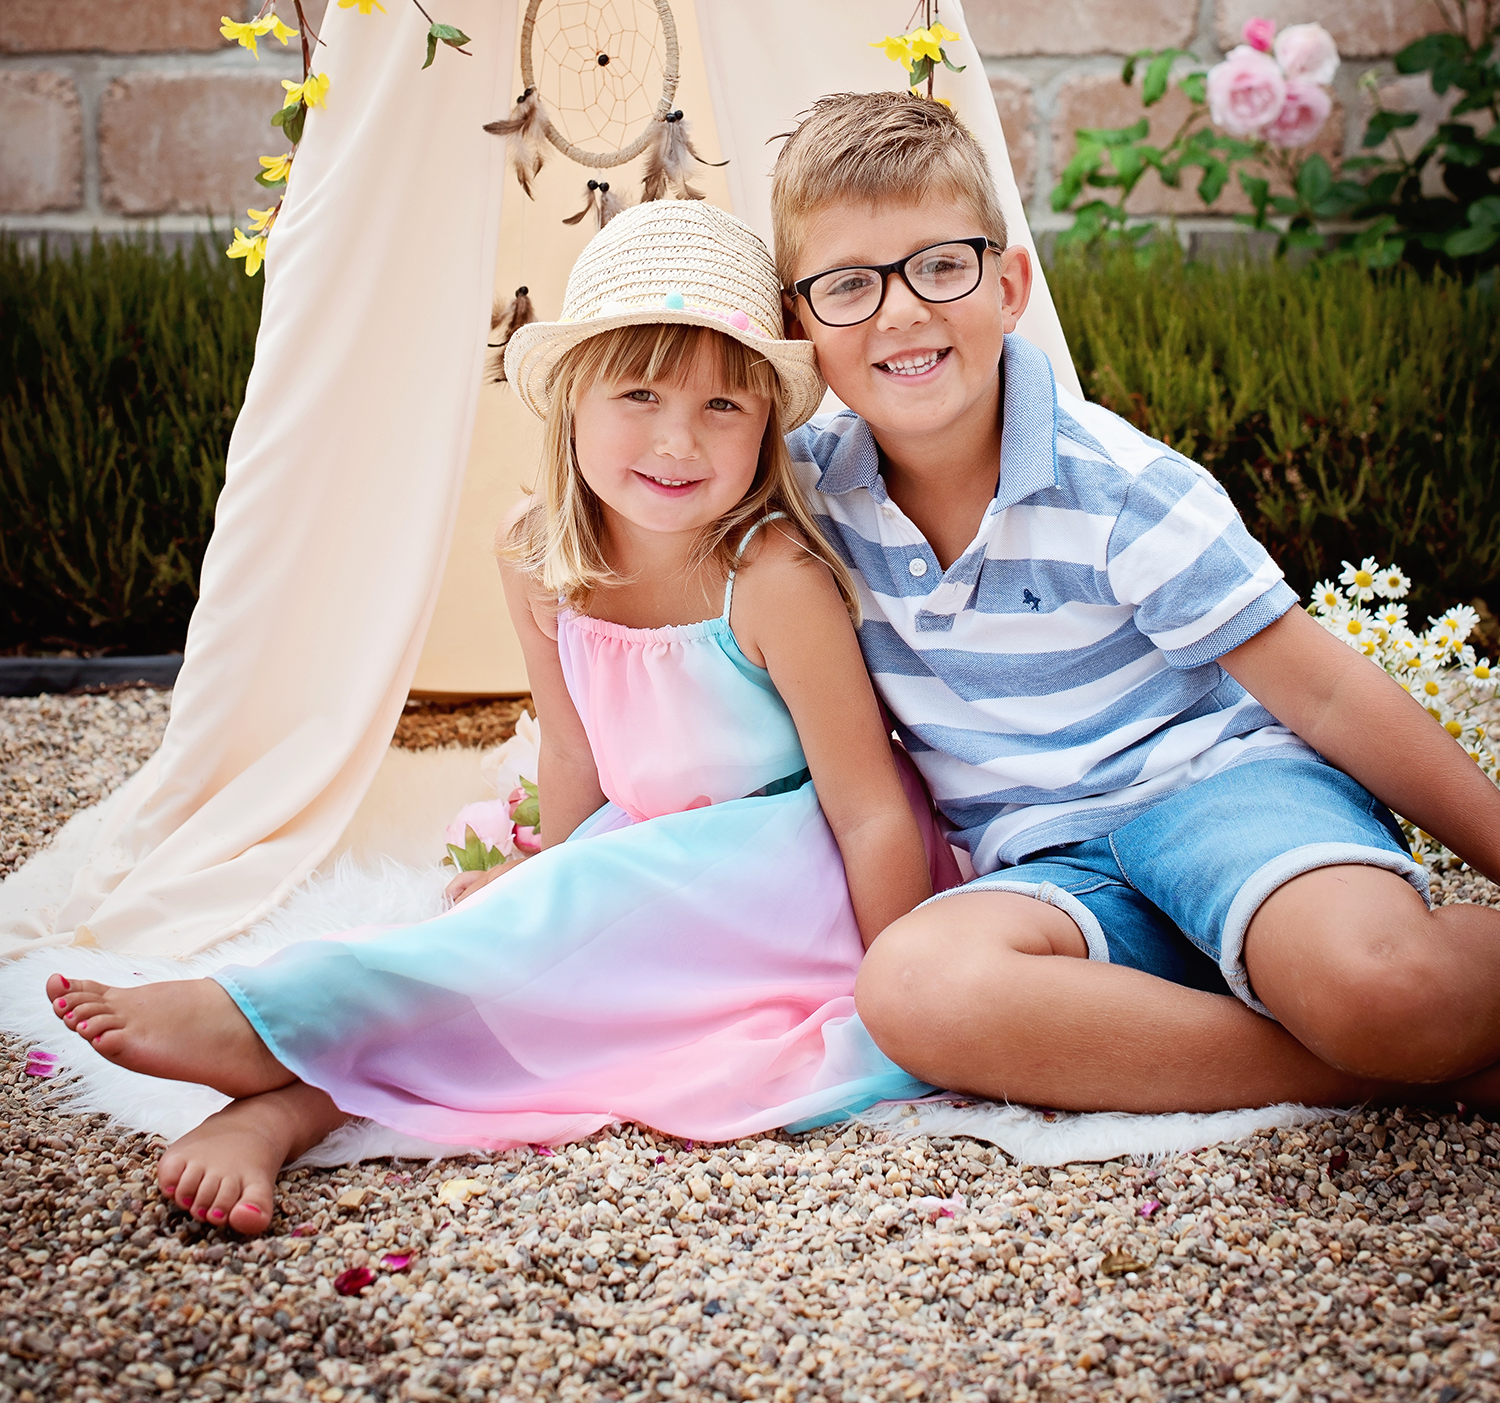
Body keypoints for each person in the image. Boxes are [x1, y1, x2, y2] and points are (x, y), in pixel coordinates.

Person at [46, 201, 955, 1234]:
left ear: (765, 426)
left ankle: (268, 1019)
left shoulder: (771, 576)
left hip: (794, 880)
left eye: (722, 406)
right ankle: (286, 1108)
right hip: (647, 858)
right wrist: (551, 879)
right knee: (521, 978)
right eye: (639, 393)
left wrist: (897, 983)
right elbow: (571, 748)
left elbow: (869, 809)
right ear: (571, 402)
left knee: (551, 959)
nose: (677, 440)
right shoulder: (539, 555)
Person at [773, 91, 1500, 1117]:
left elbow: (1328, 696)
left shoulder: (1120, 489)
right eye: (849, 285)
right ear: (797, 326)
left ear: (1009, 285)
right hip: (1053, 871)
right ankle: (1369, 1071)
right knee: (910, 987)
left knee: (1382, 989)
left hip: (1230, 801)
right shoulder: (806, 494)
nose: (899, 312)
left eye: (940, 265)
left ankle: (1387, 1028)